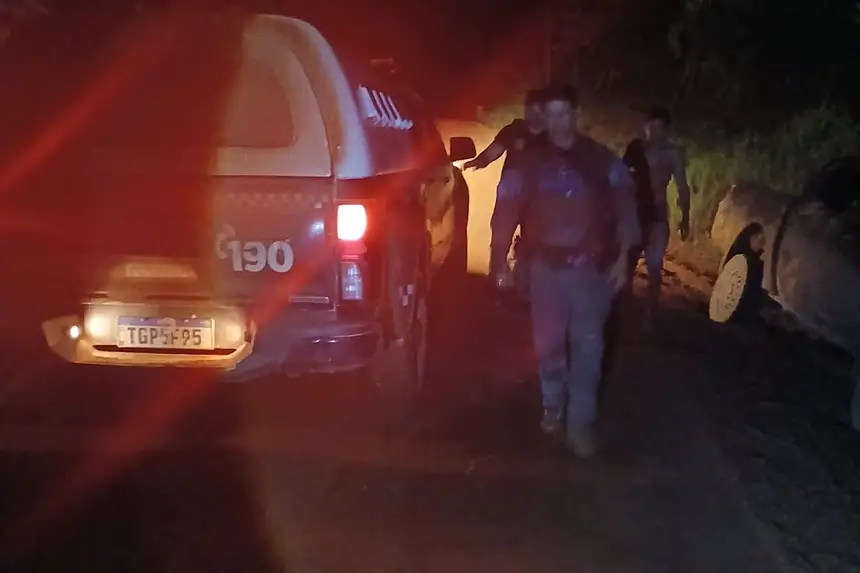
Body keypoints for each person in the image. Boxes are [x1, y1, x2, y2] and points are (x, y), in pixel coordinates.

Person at [490, 84, 641, 457]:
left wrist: (624, 258)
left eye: (563, 113)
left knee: (589, 347)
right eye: (550, 114)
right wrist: (499, 258)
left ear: (577, 115)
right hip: (545, 271)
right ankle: (552, 406)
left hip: (591, 273)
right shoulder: (529, 162)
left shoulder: (602, 160)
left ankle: (580, 425)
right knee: (548, 344)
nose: (556, 122)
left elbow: (626, 206)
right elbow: (505, 208)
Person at [465, 89, 546, 300]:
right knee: (500, 242)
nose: (534, 113)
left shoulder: (552, 137)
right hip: (510, 197)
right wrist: (479, 161)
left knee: (532, 245)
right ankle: (497, 285)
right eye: (531, 108)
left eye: (539, 109)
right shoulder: (514, 130)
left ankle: (524, 290)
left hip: (538, 202)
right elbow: (494, 150)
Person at [622, 106, 692, 329]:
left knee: (654, 266)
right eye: (651, 126)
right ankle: (626, 306)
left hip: (657, 214)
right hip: (635, 211)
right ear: (645, 127)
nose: (654, 132)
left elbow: (682, 187)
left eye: (659, 127)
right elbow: (622, 179)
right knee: (628, 262)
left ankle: (649, 314)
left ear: (666, 129)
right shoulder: (636, 150)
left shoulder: (673, 154)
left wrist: (685, 217)